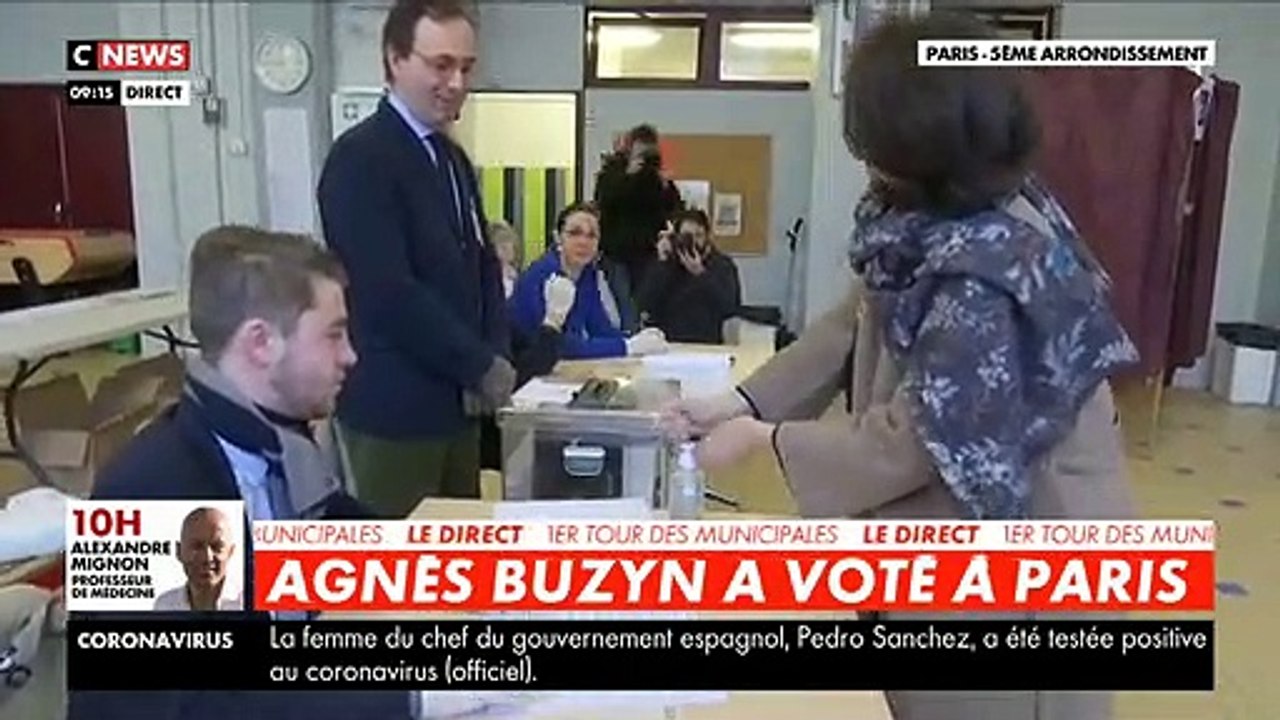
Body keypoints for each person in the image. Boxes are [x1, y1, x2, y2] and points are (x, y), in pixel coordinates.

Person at [663, 13, 1139, 720]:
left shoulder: (995, 269)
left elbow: (916, 441)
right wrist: (743, 402)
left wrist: (767, 443)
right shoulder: (934, 217)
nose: (866, 162)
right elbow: (851, 324)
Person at [70, 225, 410, 719]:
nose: (350, 356)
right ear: (260, 343)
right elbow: (184, 706)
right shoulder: (141, 494)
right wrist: (415, 697)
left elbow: (354, 538)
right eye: (334, 335)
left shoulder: (280, 447)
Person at [318, 0, 513, 515]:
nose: (456, 82)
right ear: (395, 59)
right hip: (395, 413)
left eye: (466, 68)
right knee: (399, 574)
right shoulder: (361, 158)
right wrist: (477, 363)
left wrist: (497, 355)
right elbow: (387, 291)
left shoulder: (452, 160)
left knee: (456, 564)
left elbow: (482, 267)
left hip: (460, 408)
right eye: (440, 64)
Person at [509, 201, 668, 360]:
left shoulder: (587, 273)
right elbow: (561, 345)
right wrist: (628, 346)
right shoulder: (540, 276)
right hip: (524, 371)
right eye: (574, 233)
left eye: (591, 235)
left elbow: (599, 328)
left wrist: (636, 339)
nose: (583, 242)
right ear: (557, 237)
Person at [594, 123, 683, 295]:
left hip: (648, 252)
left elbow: (673, 210)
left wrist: (665, 186)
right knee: (622, 301)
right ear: (630, 151)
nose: (646, 159)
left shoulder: (656, 180)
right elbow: (603, 201)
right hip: (617, 253)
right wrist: (628, 174)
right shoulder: (612, 173)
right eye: (642, 153)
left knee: (645, 300)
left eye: (650, 154)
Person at [637, 208, 742, 344]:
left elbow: (730, 307)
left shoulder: (722, 265)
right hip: (668, 343)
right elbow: (644, 303)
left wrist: (701, 274)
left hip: (706, 343)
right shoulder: (667, 264)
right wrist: (662, 262)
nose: (693, 242)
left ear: (707, 236)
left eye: (698, 235)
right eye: (687, 236)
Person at [153, 506, 243, 612]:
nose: (207, 557)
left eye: (217, 546)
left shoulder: (248, 605)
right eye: (196, 546)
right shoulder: (165, 606)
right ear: (179, 552)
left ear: (231, 552)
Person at [489, 219, 522, 298]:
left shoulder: (517, 276)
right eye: (502, 245)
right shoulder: (488, 278)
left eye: (509, 241)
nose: (508, 248)